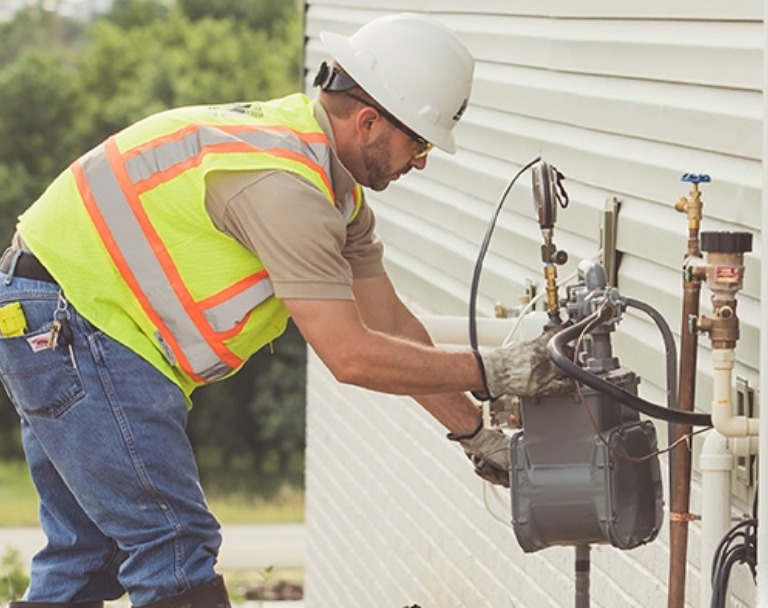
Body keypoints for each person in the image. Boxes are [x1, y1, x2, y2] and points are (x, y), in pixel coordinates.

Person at [0, 12, 569, 608]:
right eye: (419, 143)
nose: (421, 162)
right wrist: (495, 372)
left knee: (88, 554)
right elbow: (350, 355)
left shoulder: (330, 186)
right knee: (172, 543)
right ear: (369, 120)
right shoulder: (286, 187)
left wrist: (476, 433)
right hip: (76, 327)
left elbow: (392, 326)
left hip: (63, 322)